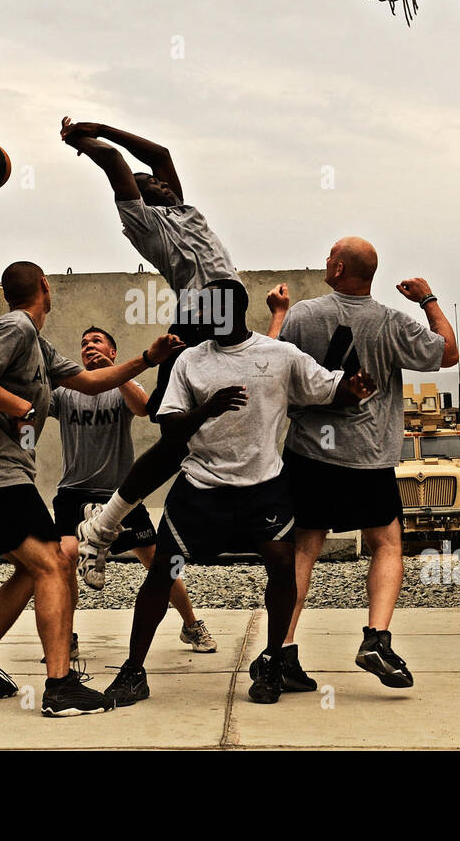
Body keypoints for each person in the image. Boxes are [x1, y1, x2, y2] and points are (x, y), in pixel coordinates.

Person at [101, 280, 374, 708]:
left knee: (282, 570)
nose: (200, 316)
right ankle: (133, 671)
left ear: (232, 310)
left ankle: (271, 662)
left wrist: (353, 389)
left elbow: (328, 388)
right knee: (162, 573)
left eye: (208, 308)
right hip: (200, 487)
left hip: (263, 488)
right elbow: (169, 428)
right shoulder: (189, 360)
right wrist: (207, 408)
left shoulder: (279, 355)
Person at [0, 261, 183, 717]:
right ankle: (60, 686)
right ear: (45, 287)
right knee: (56, 562)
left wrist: (146, 359)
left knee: (34, 569)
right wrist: (19, 406)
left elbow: (91, 383)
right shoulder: (15, 326)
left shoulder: (39, 344)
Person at [59, 117, 244, 589]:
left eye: (160, 181)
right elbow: (117, 164)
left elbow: (159, 154)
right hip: (204, 307)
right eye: (148, 183)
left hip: (225, 305)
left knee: (208, 412)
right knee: (167, 424)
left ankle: (106, 523)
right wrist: (84, 140)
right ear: (139, 195)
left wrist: (104, 124)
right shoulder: (143, 221)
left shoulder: (184, 208)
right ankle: (104, 526)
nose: (159, 180)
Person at [270, 237, 458, 692]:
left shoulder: (304, 314)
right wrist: (428, 299)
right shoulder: (392, 321)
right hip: (369, 456)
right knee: (386, 542)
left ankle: (282, 651)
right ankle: (376, 637)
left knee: (303, 551)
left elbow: (268, 362)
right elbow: (448, 353)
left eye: (328, 258)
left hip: (310, 453)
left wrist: (278, 314)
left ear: (336, 269)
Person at [50, 326, 217, 655]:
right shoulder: (66, 391)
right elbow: (35, 405)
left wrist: (115, 375)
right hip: (74, 492)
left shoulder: (122, 388)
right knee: (66, 558)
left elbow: (144, 409)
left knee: (158, 560)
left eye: (96, 342)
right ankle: (65, 635)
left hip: (120, 495)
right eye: (83, 343)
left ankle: (191, 624)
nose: (88, 347)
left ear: (113, 352)